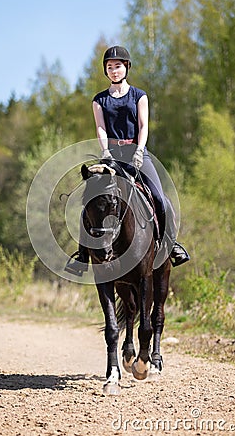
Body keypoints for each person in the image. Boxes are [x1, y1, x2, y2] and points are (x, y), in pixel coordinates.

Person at [65, 46, 189, 276]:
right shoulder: (99, 100)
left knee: (161, 199)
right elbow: (101, 127)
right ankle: (82, 255)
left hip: (137, 154)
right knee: (92, 200)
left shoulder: (139, 96)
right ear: (106, 70)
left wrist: (140, 150)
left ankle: (170, 245)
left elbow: (143, 126)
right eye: (110, 67)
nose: (113, 70)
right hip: (112, 156)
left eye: (118, 66)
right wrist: (106, 152)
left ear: (126, 68)